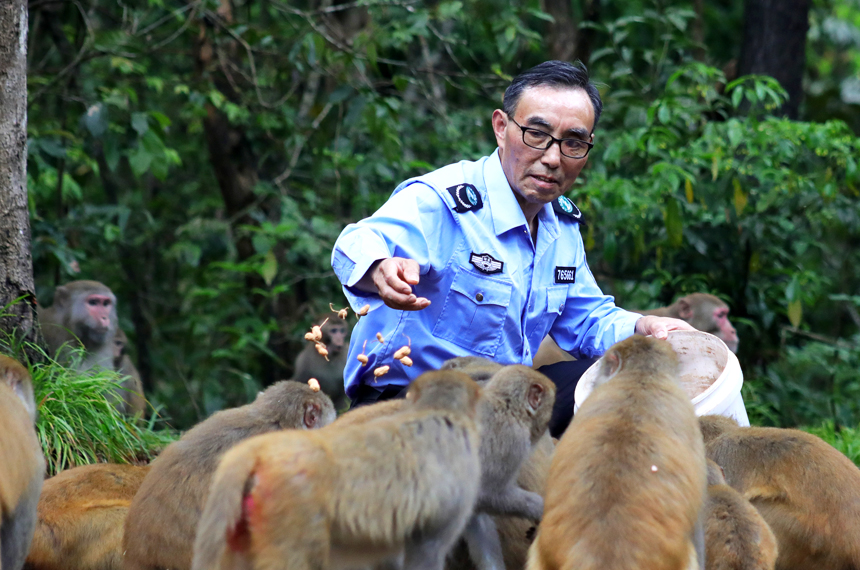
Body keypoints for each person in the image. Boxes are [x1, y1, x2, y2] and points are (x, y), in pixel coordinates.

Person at [331, 60, 693, 434]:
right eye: (537, 134)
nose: (552, 158)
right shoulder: (446, 202)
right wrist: (379, 268)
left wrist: (643, 326)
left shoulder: (561, 227)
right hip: (417, 402)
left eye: (573, 143)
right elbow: (354, 242)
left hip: (502, 406)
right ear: (501, 128)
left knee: (626, 379)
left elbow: (587, 320)